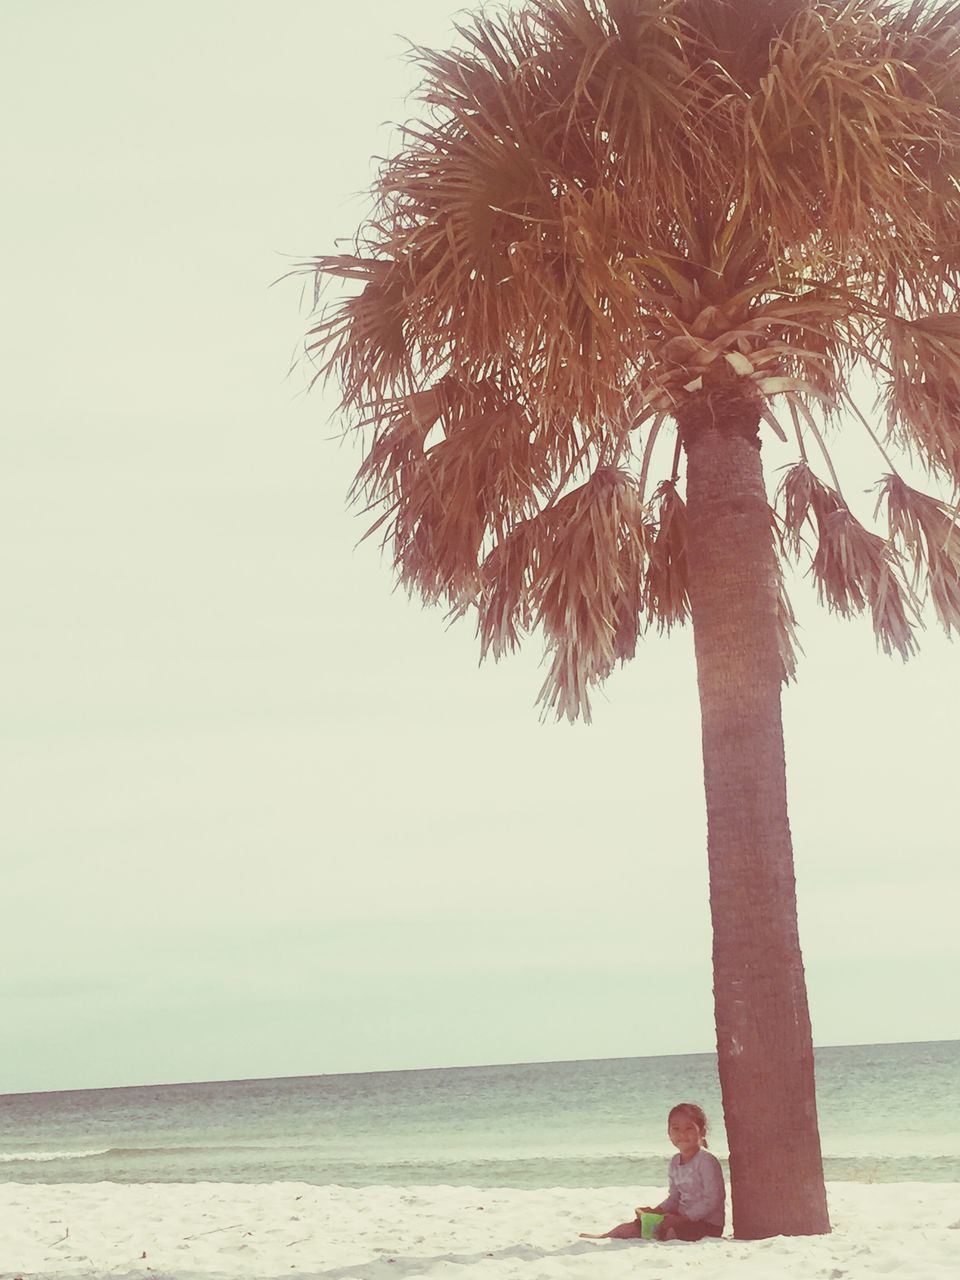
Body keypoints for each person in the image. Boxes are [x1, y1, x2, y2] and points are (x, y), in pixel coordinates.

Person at [579, 1102, 725, 1242]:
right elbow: (674, 1198)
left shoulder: (706, 1161)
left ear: (702, 1132)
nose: (682, 1134)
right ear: (669, 1133)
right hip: (680, 1218)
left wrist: (683, 1218)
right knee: (637, 1226)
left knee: (669, 1232)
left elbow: (712, 1200)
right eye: (676, 1129)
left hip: (707, 1224)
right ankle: (606, 1235)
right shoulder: (675, 1162)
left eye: (689, 1128)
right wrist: (656, 1211)